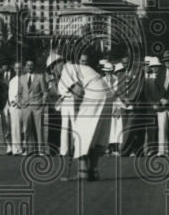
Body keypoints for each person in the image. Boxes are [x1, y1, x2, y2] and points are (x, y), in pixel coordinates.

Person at [47, 52, 111, 180]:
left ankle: (82, 173)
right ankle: (93, 171)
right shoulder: (77, 68)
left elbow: (78, 91)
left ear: (58, 63)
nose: (53, 71)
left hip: (94, 94)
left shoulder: (67, 69)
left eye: (52, 68)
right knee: (96, 135)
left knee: (80, 132)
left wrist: (76, 115)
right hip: (107, 94)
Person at [17, 59, 48, 154]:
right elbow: (19, 93)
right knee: (26, 129)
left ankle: (41, 150)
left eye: (31, 65)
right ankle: (29, 150)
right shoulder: (21, 78)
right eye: (27, 65)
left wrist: (42, 104)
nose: (29, 67)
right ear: (25, 67)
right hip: (25, 107)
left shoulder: (40, 77)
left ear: (34, 66)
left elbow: (45, 92)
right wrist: (19, 102)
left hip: (37, 106)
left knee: (39, 129)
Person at [0, 62, 15, 154]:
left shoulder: (15, 74)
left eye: (6, 64)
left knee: (15, 125)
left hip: (14, 102)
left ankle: (17, 145)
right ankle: (8, 146)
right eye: (3, 64)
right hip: (3, 102)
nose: (5, 66)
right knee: (5, 125)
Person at [6, 62, 23, 155]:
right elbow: (11, 94)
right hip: (14, 106)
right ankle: (16, 149)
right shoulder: (12, 80)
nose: (18, 70)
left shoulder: (25, 79)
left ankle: (25, 148)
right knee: (15, 128)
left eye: (20, 68)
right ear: (14, 69)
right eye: (17, 68)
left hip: (24, 105)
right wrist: (14, 102)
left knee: (25, 128)